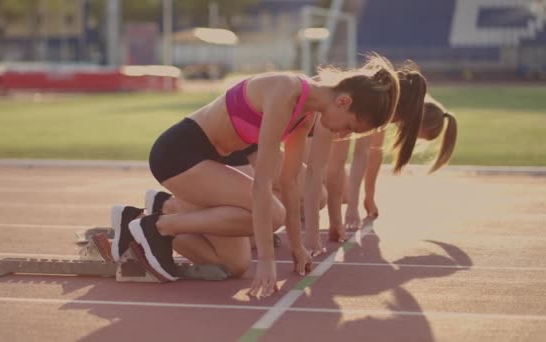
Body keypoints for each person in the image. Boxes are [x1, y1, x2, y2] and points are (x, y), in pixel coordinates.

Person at [107, 54, 401, 297]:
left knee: (233, 264)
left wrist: (298, 247)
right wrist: (268, 262)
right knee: (273, 214)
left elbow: (288, 181)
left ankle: (145, 217)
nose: (343, 134)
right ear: (343, 102)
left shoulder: (306, 115)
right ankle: (156, 227)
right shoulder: (285, 92)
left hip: (210, 163)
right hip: (179, 154)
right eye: (351, 126)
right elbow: (262, 183)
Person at [304, 72, 457, 253]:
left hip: (308, 132)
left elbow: (370, 155)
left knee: (340, 193)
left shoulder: (377, 107)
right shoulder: (363, 105)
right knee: (318, 191)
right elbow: (335, 166)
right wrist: (339, 217)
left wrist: (368, 196)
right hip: (305, 130)